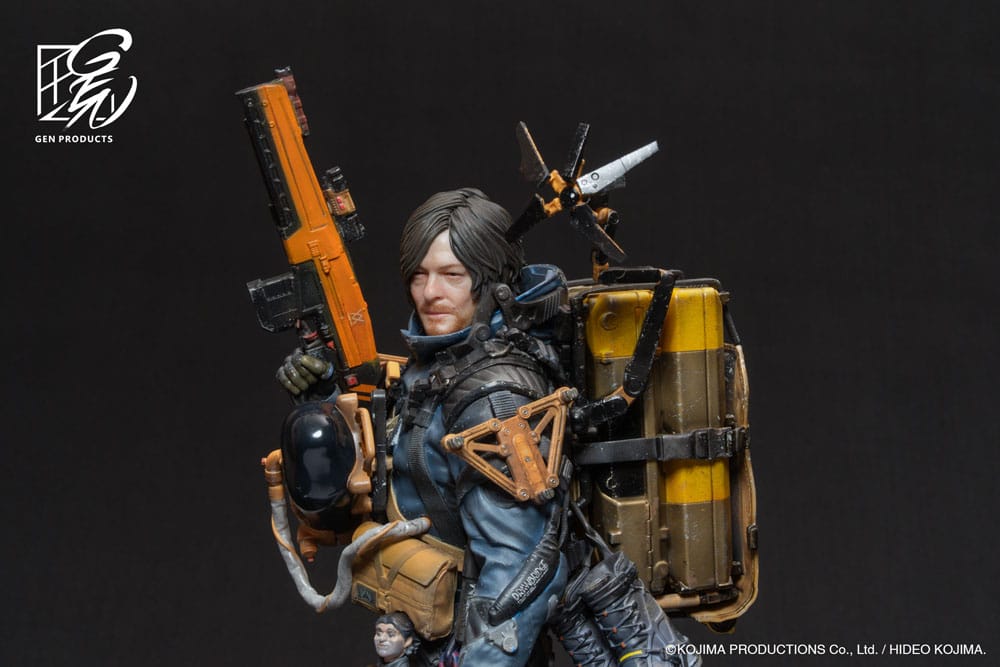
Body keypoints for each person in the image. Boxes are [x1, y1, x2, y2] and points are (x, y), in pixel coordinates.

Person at [278, 188, 698, 666]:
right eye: (419, 275)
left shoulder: (493, 398)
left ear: (491, 282)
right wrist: (324, 407)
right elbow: (383, 490)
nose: (430, 293)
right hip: (422, 633)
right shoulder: (433, 371)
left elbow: (523, 571)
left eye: (452, 275)